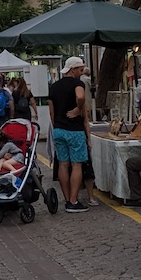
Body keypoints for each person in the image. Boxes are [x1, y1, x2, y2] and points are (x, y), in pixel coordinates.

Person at [49, 57, 91, 213]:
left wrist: (56, 126)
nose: (81, 73)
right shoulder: (77, 84)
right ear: (73, 69)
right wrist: (78, 109)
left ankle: (67, 199)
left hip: (59, 129)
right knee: (76, 165)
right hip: (75, 130)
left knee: (63, 164)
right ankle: (73, 201)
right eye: (80, 70)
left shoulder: (53, 87)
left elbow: (51, 112)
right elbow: (80, 97)